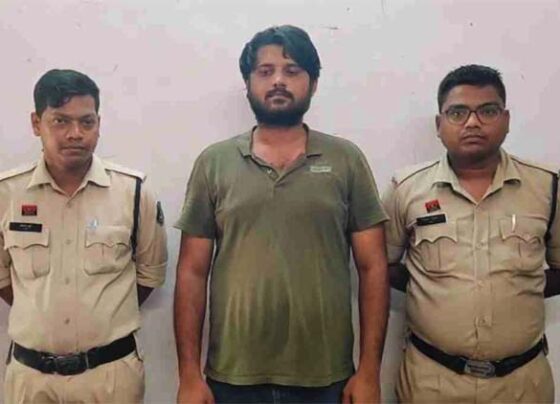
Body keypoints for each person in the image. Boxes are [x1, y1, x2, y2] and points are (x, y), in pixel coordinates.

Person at [174, 25, 389, 404]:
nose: (278, 80)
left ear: (313, 83)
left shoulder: (346, 160)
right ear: (247, 83)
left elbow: (373, 267)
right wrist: (189, 375)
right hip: (233, 377)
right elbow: (192, 271)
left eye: (292, 71)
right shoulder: (214, 162)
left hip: (326, 378)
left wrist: (370, 371)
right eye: (265, 71)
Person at [383, 64, 560, 403]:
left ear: (506, 119)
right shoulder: (406, 188)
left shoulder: (547, 186)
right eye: (458, 113)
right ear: (439, 125)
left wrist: (518, 286)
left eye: (487, 111)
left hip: (523, 384)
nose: (473, 123)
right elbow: (382, 266)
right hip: (431, 383)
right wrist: (430, 289)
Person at [0, 69, 168, 403]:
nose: (75, 133)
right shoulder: (7, 194)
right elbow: (3, 279)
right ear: (36, 123)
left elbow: (148, 277)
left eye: (86, 122)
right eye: (60, 121)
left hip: (110, 378)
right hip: (31, 379)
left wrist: (103, 316)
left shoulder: (133, 192)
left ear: (98, 124)